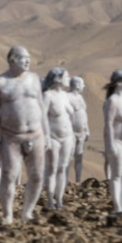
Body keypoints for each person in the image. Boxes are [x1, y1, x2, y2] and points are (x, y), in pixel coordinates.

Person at [0, 46, 48, 224]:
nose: (27, 61)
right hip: (11, 136)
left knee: (37, 175)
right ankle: (7, 214)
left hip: (36, 134)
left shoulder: (34, 80)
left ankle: (27, 212)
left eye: (28, 57)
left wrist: (47, 134)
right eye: (23, 58)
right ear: (12, 60)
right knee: (9, 174)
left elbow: (41, 107)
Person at [42, 67, 75, 210]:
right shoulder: (48, 96)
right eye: (66, 76)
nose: (69, 79)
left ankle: (59, 200)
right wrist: (45, 137)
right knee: (53, 168)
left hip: (67, 137)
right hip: (53, 137)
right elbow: (41, 117)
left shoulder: (66, 96)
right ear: (57, 79)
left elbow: (70, 116)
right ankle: (50, 200)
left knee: (63, 168)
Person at [103, 70, 122, 214]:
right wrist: (110, 144)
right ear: (119, 83)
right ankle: (117, 206)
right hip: (117, 142)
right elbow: (108, 123)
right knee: (117, 175)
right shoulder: (112, 101)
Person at [68, 77, 90, 184]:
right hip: (71, 132)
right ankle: (65, 179)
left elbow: (84, 114)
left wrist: (87, 129)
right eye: (82, 84)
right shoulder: (67, 97)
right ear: (76, 85)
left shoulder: (81, 97)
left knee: (79, 157)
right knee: (68, 157)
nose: (84, 86)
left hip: (81, 132)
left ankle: (78, 180)